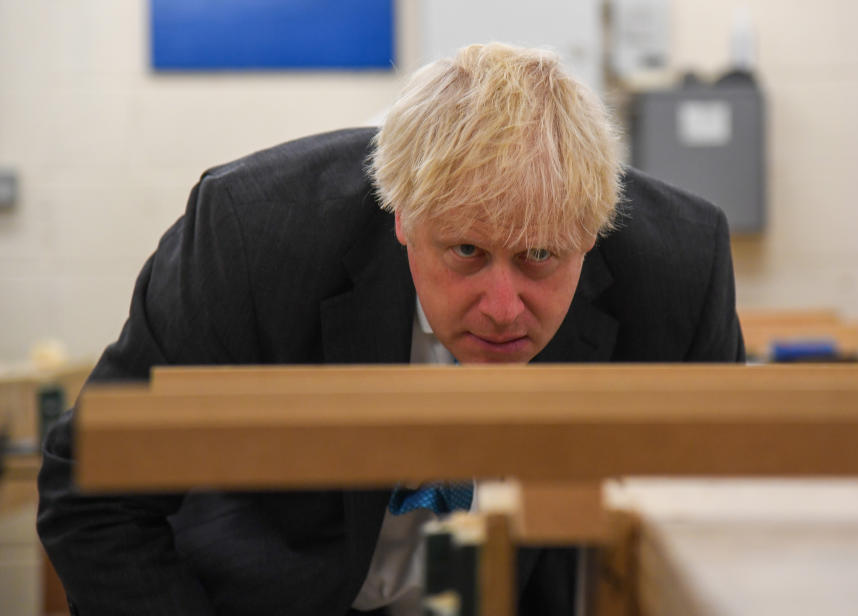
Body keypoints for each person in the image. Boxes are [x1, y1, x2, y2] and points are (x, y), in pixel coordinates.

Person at [37, 43, 744, 615]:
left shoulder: (679, 264)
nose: (503, 305)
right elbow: (92, 495)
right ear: (401, 216)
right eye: (466, 251)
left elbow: (716, 529)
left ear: (592, 234)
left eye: (540, 258)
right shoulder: (252, 235)